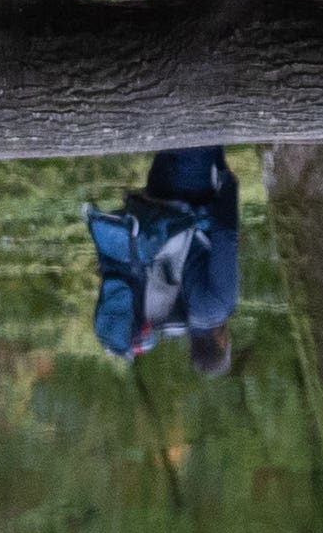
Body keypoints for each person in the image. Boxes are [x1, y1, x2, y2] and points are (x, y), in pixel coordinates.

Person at [89, 144, 241, 373]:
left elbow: (225, 234)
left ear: (223, 343)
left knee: (197, 118)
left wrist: (229, 185)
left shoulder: (218, 305)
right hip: (155, 199)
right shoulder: (170, 316)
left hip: (194, 187)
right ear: (193, 346)